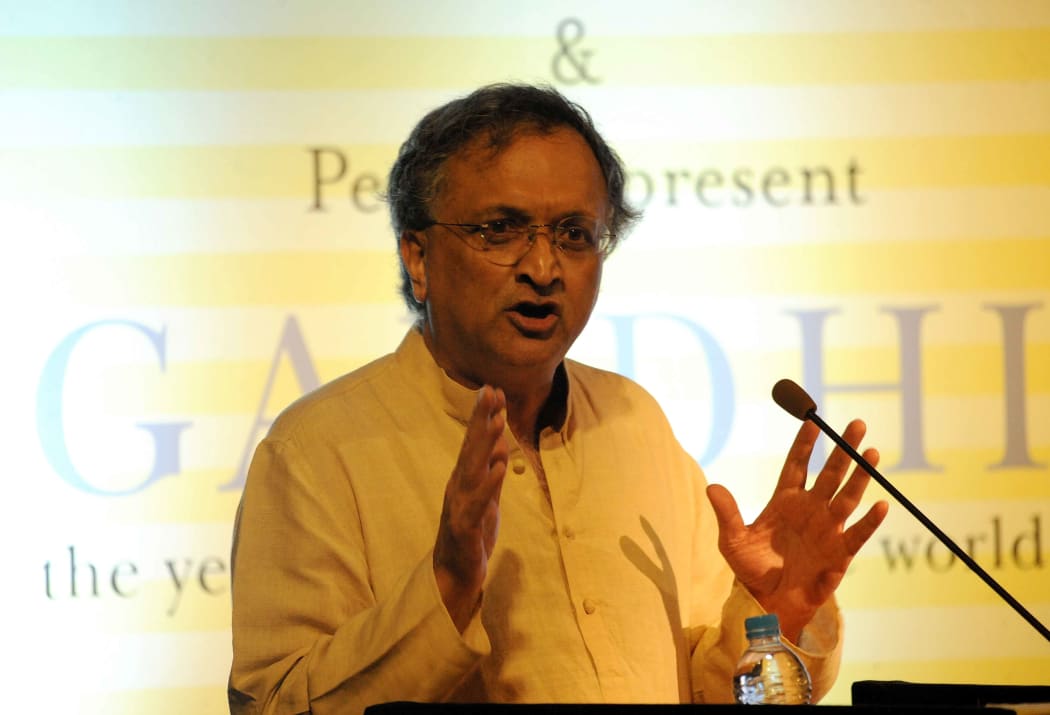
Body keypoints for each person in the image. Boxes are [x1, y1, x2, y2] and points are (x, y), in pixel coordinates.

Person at [227, 83, 888, 715]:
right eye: (500, 228)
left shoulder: (635, 425)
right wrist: (445, 590)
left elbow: (722, 696)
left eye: (574, 233)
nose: (543, 268)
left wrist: (773, 617)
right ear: (418, 257)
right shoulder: (316, 452)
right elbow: (276, 703)